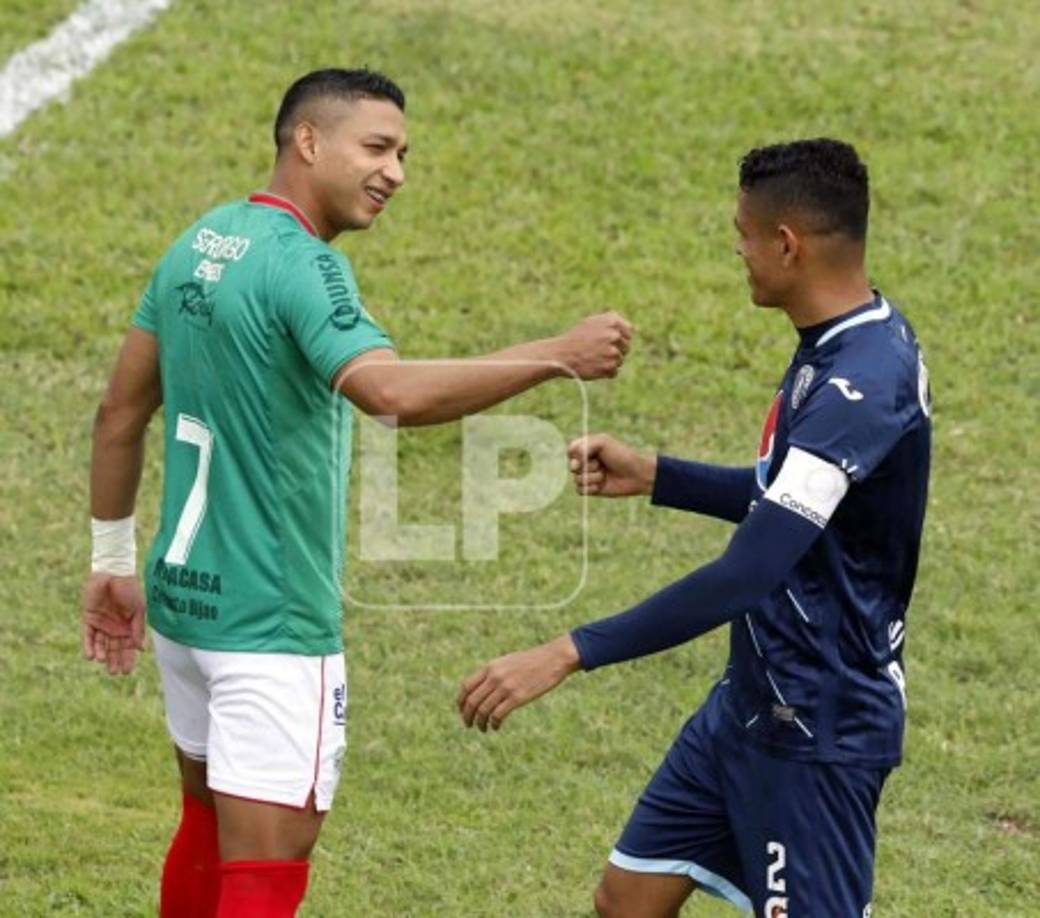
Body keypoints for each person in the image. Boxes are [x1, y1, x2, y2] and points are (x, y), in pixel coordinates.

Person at [81, 67, 632, 918]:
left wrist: (112, 560)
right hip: (273, 626)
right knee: (266, 868)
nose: (396, 172)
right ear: (308, 141)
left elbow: (119, 414)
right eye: (376, 147)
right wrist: (558, 352)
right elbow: (391, 395)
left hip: (186, 609)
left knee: (207, 826)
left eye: (404, 154)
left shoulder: (200, 241)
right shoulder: (308, 269)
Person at [458, 138, 931, 917]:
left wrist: (569, 651)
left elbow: (749, 572)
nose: (737, 249)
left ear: (788, 244)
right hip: (748, 702)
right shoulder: (844, 344)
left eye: (744, 233)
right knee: (626, 901)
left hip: (818, 729)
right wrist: (658, 475)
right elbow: (797, 504)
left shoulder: (863, 382)